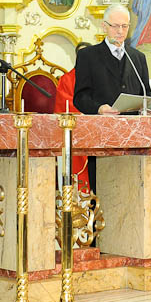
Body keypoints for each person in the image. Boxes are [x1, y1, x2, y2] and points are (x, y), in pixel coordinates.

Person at [73, 3, 151, 190]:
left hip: (132, 136)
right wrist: (99, 108)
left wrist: (148, 106)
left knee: (131, 189)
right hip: (102, 133)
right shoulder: (88, 56)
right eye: (115, 26)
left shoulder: (138, 57)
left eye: (125, 26)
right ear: (104, 26)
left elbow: (146, 94)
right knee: (104, 189)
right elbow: (80, 96)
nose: (120, 31)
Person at [54, 41, 93, 192]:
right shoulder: (67, 79)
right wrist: (87, 113)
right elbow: (64, 105)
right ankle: (77, 200)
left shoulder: (100, 77)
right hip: (76, 130)